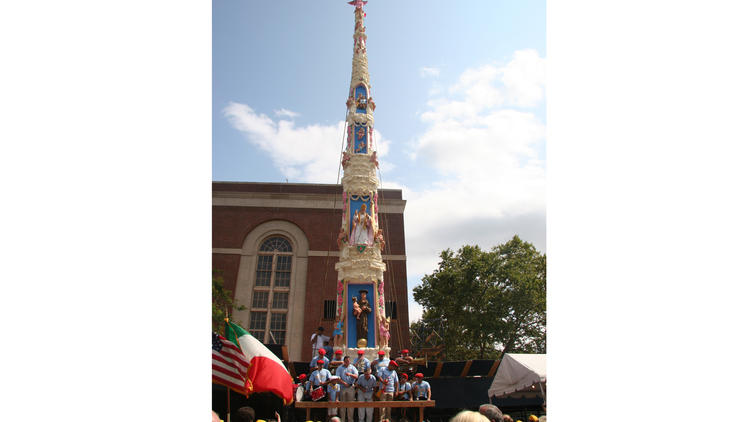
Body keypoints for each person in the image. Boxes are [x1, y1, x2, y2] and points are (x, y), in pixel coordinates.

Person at [336, 355, 359, 422]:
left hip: (350, 387)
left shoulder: (353, 368)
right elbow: (337, 378)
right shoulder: (340, 368)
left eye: (348, 361)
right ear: (344, 361)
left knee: (350, 405)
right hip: (342, 387)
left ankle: (350, 420)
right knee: (342, 405)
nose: (347, 362)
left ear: (349, 361)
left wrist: (350, 374)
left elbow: (356, 376)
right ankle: (342, 420)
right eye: (346, 361)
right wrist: (344, 383)